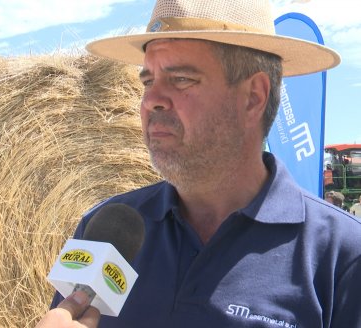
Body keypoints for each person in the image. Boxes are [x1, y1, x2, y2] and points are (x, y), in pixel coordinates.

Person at [44, 0, 361, 327]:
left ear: (253, 96)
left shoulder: (344, 256)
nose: (151, 100)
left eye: (180, 78)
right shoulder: (102, 229)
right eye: (148, 81)